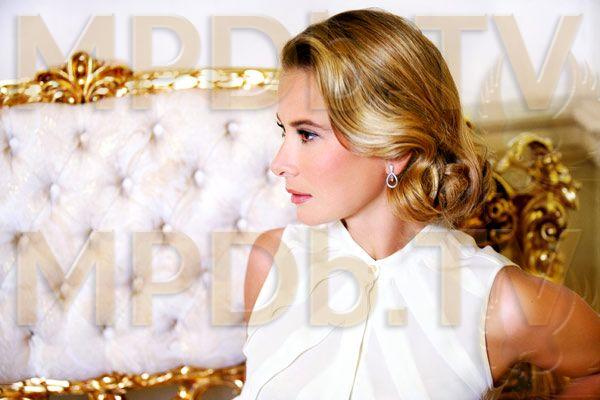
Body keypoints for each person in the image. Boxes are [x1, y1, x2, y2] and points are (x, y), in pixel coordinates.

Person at [235, 8, 600, 399]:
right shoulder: (271, 262)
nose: (279, 163)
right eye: (284, 131)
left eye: (307, 134)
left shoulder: (500, 301)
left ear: (394, 147)